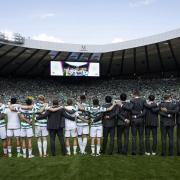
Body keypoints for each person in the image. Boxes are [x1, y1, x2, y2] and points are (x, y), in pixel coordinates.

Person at [130, 90, 146, 155]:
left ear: (134, 94)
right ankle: (141, 151)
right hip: (141, 120)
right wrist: (139, 113)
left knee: (134, 136)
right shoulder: (143, 100)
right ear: (139, 94)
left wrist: (136, 116)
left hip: (134, 120)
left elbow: (131, 111)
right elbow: (144, 112)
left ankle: (134, 151)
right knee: (141, 136)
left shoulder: (132, 100)